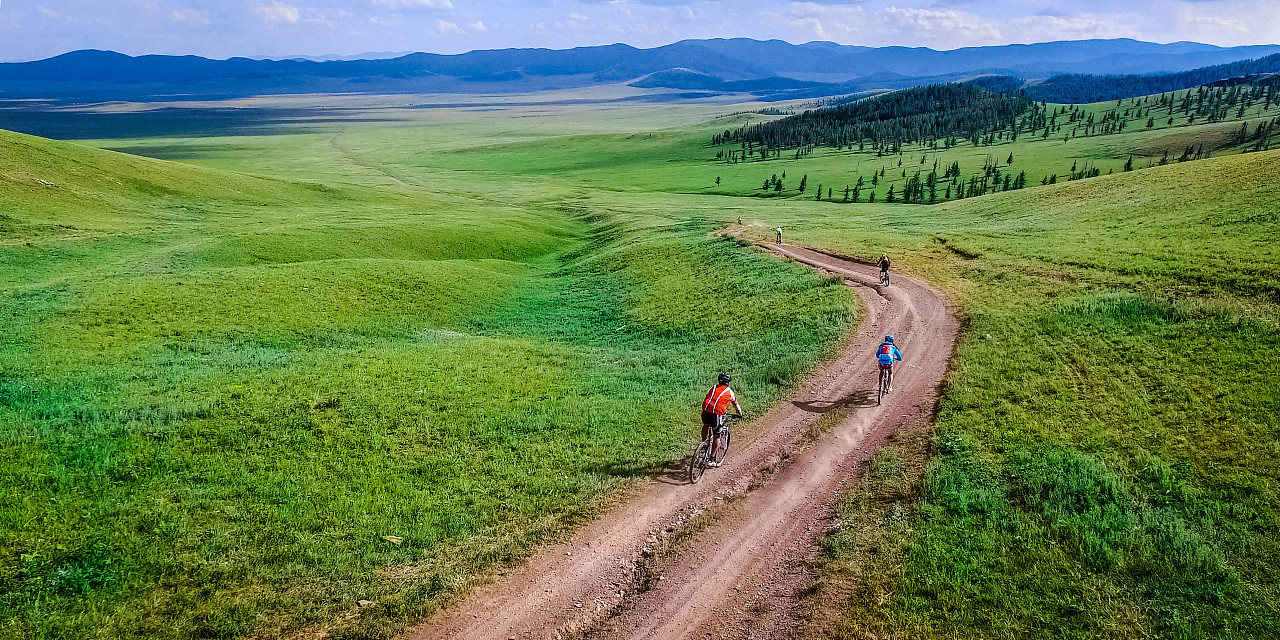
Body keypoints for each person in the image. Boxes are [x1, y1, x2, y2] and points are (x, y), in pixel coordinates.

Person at [701, 373, 743, 467]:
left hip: (705, 410)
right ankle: (711, 459)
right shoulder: (729, 392)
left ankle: (703, 445)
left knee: (706, 425)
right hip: (716, 413)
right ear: (728, 382)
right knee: (717, 436)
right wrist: (740, 414)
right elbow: (736, 405)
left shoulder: (714, 387)